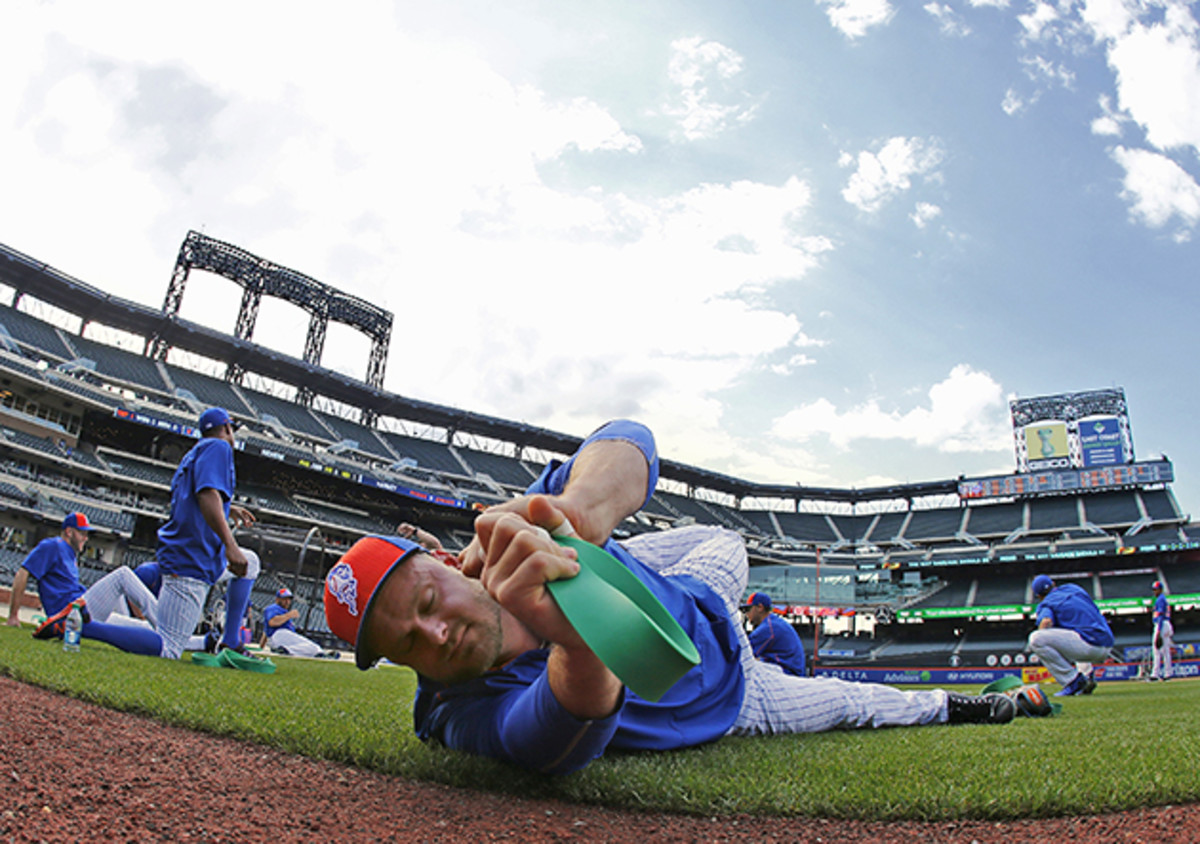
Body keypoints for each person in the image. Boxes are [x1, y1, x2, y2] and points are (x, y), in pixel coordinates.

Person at [324, 420, 1014, 776]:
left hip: (697, 595)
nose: (436, 635)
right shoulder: (450, 710)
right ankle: (962, 705)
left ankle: (613, 552)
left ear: (444, 563)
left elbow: (630, 438)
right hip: (731, 693)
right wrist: (577, 636)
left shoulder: (519, 532)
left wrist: (580, 512)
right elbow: (547, 743)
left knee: (725, 541)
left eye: (424, 603)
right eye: (407, 644)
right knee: (849, 703)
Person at [154, 407, 260, 661]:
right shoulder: (218, 447)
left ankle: (231, 641)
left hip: (188, 553)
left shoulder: (195, 452)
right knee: (168, 650)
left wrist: (227, 507)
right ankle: (87, 625)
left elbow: (196, 496)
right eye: (231, 429)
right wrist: (230, 545)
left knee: (252, 563)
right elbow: (207, 495)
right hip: (191, 558)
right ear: (225, 428)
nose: (232, 435)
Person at [4, 513, 161, 655]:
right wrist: (13, 616)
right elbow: (22, 574)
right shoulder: (53, 545)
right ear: (69, 532)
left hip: (83, 611)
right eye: (82, 533)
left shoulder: (70, 553)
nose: (86, 538)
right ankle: (164, 626)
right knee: (123, 575)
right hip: (72, 610)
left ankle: (174, 638)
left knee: (145, 628)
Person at [1027, 574, 1113, 696]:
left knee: (1036, 639)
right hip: (1107, 642)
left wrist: (1043, 651)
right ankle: (1086, 675)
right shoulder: (1074, 588)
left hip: (1088, 646)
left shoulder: (1045, 603)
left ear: (1039, 596)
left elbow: (1046, 622)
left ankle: (1072, 681)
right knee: (1074, 631)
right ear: (1054, 584)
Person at [743, 592, 807, 676]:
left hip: (789, 674)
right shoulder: (774, 622)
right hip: (791, 672)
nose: (746, 614)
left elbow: (743, 653)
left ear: (760, 607)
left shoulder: (768, 628)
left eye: (748, 610)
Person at [263, 587, 334, 658]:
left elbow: (265, 632)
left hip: (280, 638)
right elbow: (272, 622)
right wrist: (289, 615)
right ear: (277, 599)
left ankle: (320, 653)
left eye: (289, 599)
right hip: (279, 634)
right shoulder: (274, 608)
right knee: (312, 647)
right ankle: (320, 653)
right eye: (284, 599)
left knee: (307, 648)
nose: (287, 601)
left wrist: (261, 647)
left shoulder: (284, 611)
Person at [1150, 580, 1173, 681]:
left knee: (1156, 650)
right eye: (1154, 589)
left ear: (1161, 590)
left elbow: (1160, 616)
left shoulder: (1160, 599)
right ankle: (1168, 674)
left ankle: (1155, 674)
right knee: (1165, 651)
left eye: (1157, 589)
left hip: (1162, 625)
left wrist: (1158, 631)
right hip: (1166, 624)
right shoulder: (1163, 599)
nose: (1155, 591)